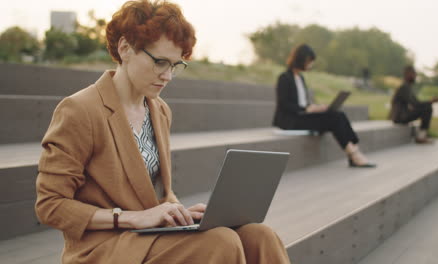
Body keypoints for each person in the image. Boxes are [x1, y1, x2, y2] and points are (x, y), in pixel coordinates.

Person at [35, 1, 290, 263]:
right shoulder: (80, 109)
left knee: (260, 235)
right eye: (160, 62)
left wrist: (179, 213)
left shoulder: (159, 110)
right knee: (220, 243)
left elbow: (155, 192)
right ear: (125, 48)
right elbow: (50, 205)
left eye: (175, 65)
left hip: (150, 236)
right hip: (105, 247)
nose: (167, 75)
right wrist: (131, 217)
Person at [272, 44, 375, 168]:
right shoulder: (284, 78)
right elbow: (284, 104)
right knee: (334, 118)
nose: (311, 65)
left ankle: (354, 149)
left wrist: (315, 107)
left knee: (339, 114)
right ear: (301, 59)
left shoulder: (300, 78)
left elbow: (302, 101)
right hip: (291, 120)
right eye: (309, 61)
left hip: (303, 115)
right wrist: (306, 109)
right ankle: (353, 154)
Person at [389, 65, 438, 144]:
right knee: (427, 108)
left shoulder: (407, 87)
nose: (415, 76)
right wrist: (430, 101)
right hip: (399, 117)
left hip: (402, 115)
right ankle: (421, 137)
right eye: (414, 74)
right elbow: (415, 104)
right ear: (407, 74)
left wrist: (430, 102)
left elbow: (416, 103)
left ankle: (422, 135)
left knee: (427, 107)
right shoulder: (404, 87)